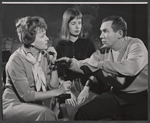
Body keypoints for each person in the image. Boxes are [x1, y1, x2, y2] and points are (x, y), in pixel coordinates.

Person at [57, 15, 148, 120]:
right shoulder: (103, 50)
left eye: (105, 31)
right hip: (115, 95)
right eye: (101, 31)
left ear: (120, 33)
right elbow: (87, 65)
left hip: (139, 97)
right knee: (83, 113)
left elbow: (131, 68)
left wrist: (100, 64)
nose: (101, 36)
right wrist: (70, 62)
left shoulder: (136, 45)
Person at [2, 16, 71, 121]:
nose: (47, 38)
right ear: (32, 40)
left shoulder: (44, 55)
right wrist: (59, 91)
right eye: (43, 36)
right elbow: (27, 96)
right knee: (46, 114)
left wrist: (53, 65)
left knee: (49, 113)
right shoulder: (15, 60)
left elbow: (53, 86)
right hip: (14, 105)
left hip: (34, 105)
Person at [55, 8, 97, 106]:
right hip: (67, 86)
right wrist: (67, 91)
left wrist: (86, 89)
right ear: (67, 25)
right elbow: (58, 72)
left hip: (87, 84)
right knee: (68, 110)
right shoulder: (60, 45)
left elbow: (94, 68)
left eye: (79, 23)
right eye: (73, 23)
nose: (77, 26)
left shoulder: (88, 43)